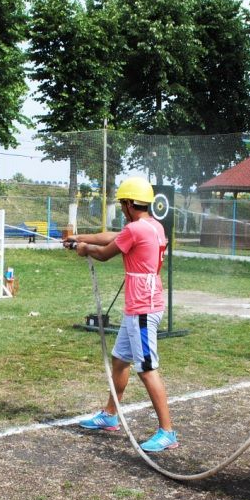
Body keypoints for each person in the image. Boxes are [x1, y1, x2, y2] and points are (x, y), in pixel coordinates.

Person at [65, 177, 178, 453]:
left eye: (122, 204)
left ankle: (167, 432)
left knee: (147, 369)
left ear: (128, 204)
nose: (122, 208)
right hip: (138, 306)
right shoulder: (151, 225)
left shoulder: (138, 229)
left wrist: (85, 249)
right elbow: (113, 237)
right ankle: (110, 414)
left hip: (143, 308)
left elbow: (105, 252)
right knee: (120, 360)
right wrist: (78, 238)